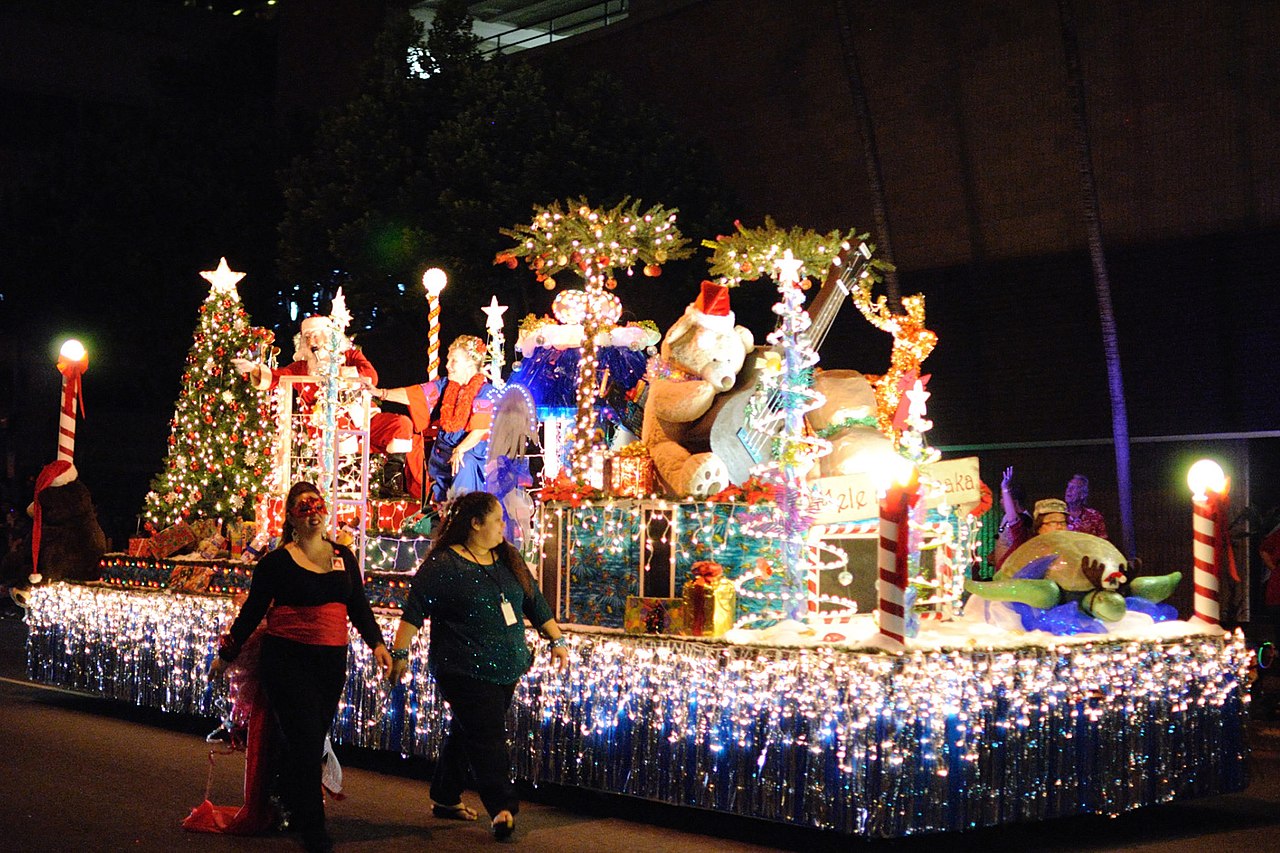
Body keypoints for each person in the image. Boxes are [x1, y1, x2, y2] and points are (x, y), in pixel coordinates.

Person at [208, 481, 393, 853]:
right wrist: (227, 654)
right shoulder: (276, 563)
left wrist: (377, 644)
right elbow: (252, 611)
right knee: (307, 740)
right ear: (291, 518)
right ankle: (314, 828)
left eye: (317, 505)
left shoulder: (343, 556)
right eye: (303, 508)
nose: (313, 513)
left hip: (331, 664)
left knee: (307, 739)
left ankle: (290, 802)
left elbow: (358, 607)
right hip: (287, 662)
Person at [387, 491, 570, 842]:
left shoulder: (507, 559)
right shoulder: (444, 565)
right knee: (488, 735)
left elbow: (534, 602)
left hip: (507, 666)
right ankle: (502, 807)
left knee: (469, 729)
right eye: (497, 520)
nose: (504, 526)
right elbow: (414, 610)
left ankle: (445, 794)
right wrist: (400, 652)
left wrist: (556, 639)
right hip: (462, 667)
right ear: (475, 523)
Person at [230, 315, 415, 491]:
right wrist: (254, 369)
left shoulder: (350, 356)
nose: (311, 341)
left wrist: (337, 372)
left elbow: (371, 376)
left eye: (315, 335)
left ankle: (391, 483)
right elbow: (276, 377)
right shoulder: (301, 368)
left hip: (363, 419)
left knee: (401, 424)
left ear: (328, 336)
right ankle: (337, 484)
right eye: (307, 337)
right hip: (327, 428)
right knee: (339, 436)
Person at [372, 335, 494, 504]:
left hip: (467, 455)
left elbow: (480, 430)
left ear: (470, 363)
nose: (447, 365)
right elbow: (415, 395)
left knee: (463, 474)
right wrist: (381, 393)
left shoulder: (486, 392)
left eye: (453, 361)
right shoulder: (446, 385)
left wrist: (460, 449)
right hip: (441, 455)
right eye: (448, 360)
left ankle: (460, 515)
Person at [991, 466, 1034, 571]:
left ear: (1014, 502)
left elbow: (1014, 523)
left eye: (1003, 498)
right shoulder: (1006, 517)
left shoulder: (1024, 521)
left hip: (1012, 573)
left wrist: (1005, 489)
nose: (1001, 501)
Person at [1065, 474, 1109, 539]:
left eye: (1074, 488)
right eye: (1068, 487)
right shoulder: (1060, 515)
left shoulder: (1094, 516)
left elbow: (1103, 541)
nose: (1069, 490)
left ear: (1083, 494)